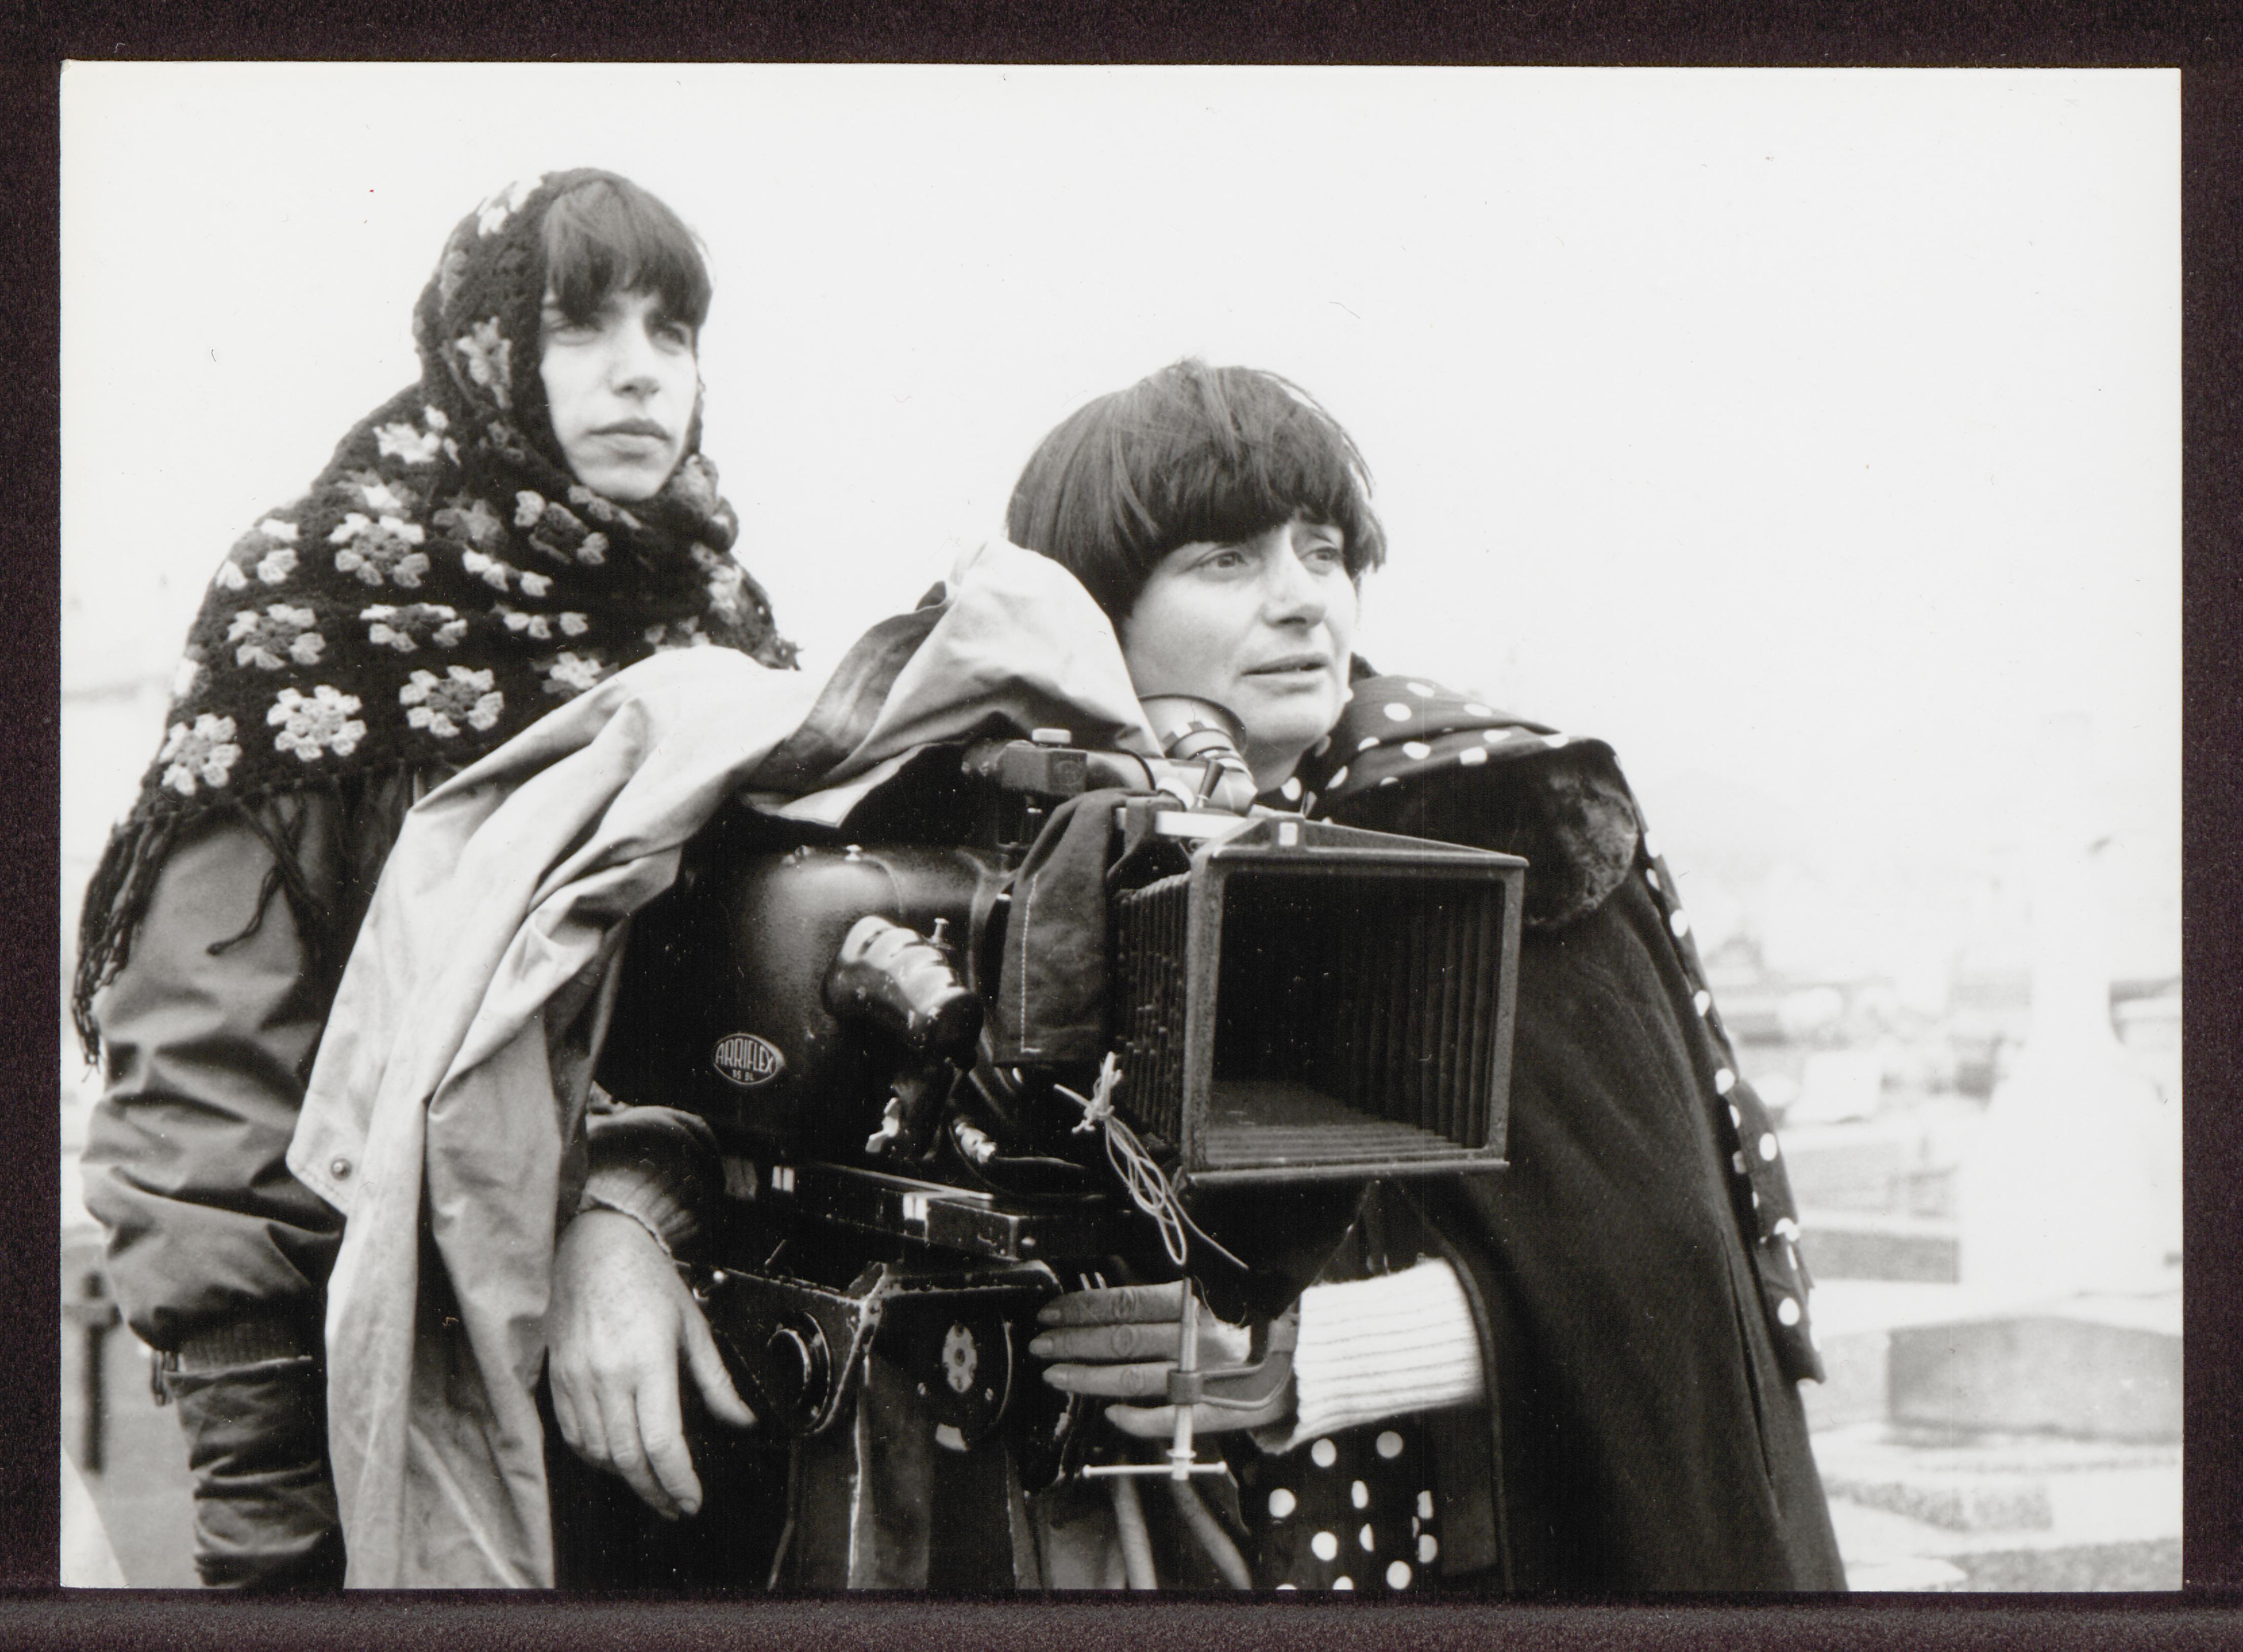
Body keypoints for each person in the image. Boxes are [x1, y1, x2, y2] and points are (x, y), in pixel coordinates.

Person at [1006, 359, 1847, 1591]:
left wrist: (1305, 1354)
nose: (1304, 601)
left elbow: (1665, 1283)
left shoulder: (1488, 820)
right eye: (1226, 561)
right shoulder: (1045, 841)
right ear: (1094, 614)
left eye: (1323, 549)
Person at [71, 167, 795, 1589]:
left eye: (674, 329)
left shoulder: (721, 627)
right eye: (582, 326)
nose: (641, 372)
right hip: (387, 1371)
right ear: (486, 351)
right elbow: (208, 1077)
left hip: (686, 1366)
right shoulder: (319, 602)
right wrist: (271, 1503)